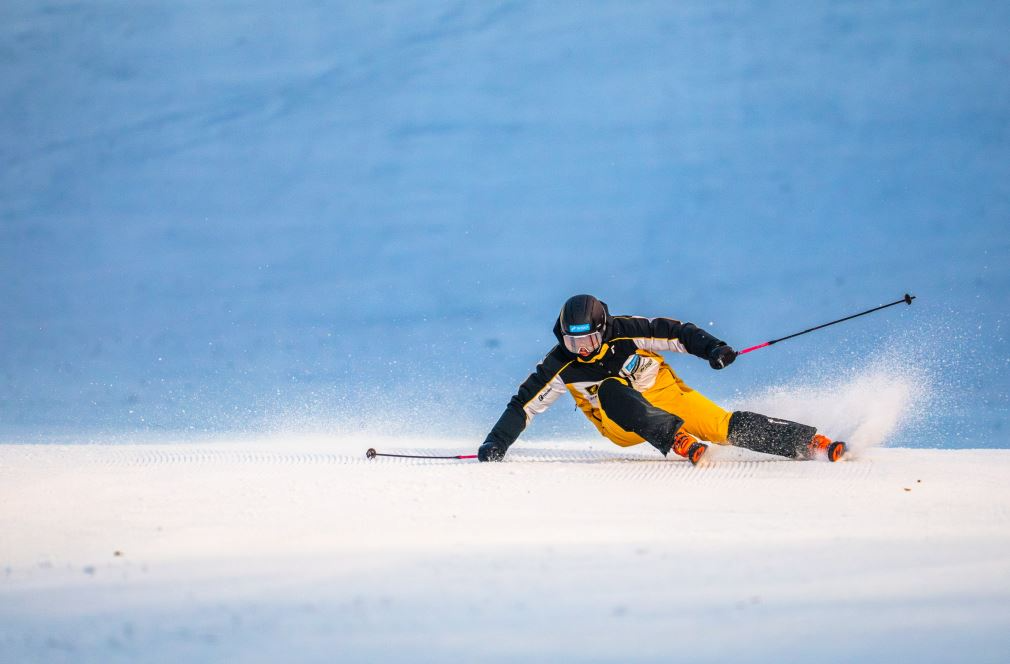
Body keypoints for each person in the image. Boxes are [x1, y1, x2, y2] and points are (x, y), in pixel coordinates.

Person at [478, 294, 846, 464]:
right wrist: (496, 443)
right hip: (620, 422)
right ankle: (676, 440)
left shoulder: (626, 331)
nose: (583, 350)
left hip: (665, 395)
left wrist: (714, 349)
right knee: (610, 388)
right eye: (574, 342)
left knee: (722, 425)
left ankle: (808, 442)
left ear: (603, 330)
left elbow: (675, 332)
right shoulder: (560, 365)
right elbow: (523, 406)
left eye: (589, 340)